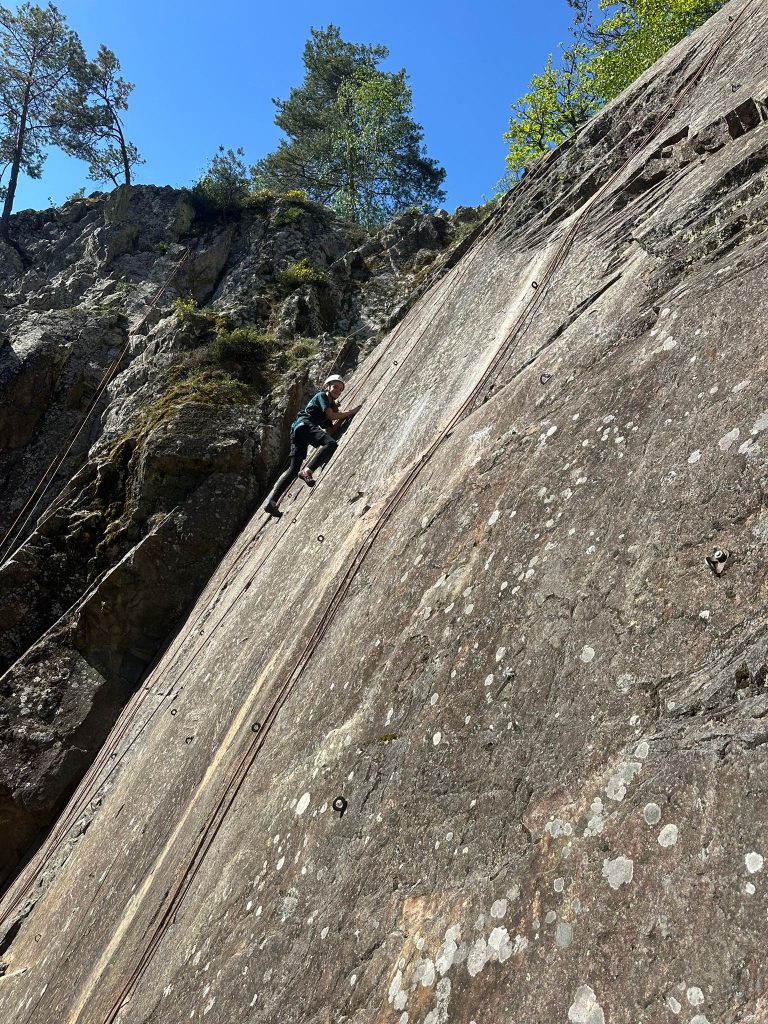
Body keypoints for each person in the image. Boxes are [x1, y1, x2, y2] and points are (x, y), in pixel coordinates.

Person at [264, 374, 360, 517]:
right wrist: (350, 412)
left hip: (297, 431)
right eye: (335, 387)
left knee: (293, 469)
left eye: (341, 389)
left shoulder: (325, 409)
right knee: (331, 444)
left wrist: (341, 416)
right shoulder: (322, 396)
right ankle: (307, 471)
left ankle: (271, 502)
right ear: (327, 386)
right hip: (304, 424)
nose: (338, 391)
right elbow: (332, 417)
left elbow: (330, 430)